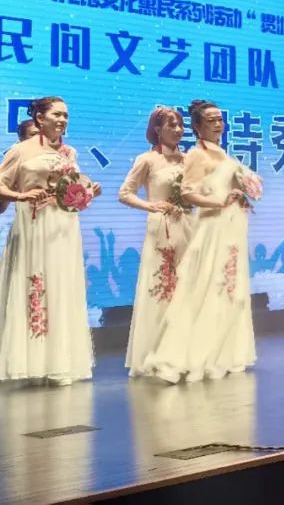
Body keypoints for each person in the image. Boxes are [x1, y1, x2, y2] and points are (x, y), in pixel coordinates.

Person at [140, 99, 258, 383]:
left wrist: (241, 194)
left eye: (220, 119)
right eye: (210, 120)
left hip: (231, 228)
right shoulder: (196, 154)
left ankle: (223, 353)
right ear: (197, 127)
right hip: (211, 226)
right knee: (206, 287)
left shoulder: (224, 155)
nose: (217, 124)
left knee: (229, 288)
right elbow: (188, 192)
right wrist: (218, 202)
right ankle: (188, 356)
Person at [0, 97, 100, 384]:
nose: (62, 120)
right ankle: (33, 362)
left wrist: (87, 191)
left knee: (62, 287)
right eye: (57, 114)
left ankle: (60, 362)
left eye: (65, 115)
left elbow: (69, 188)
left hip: (64, 226)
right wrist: (20, 195)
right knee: (37, 287)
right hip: (35, 224)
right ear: (40, 118)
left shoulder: (69, 152)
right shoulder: (21, 150)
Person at [118, 107, 196, 375]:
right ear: (157, 129)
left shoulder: (189, 160)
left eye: (181, 125)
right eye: (171, 125)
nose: (178, 130)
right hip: (162, 228)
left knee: (189, 288)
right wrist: (151, 206)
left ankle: (187, 353)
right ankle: (159, 355)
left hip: (189, 225)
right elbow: (125, 193)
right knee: (163, 288)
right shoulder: (147, 160)